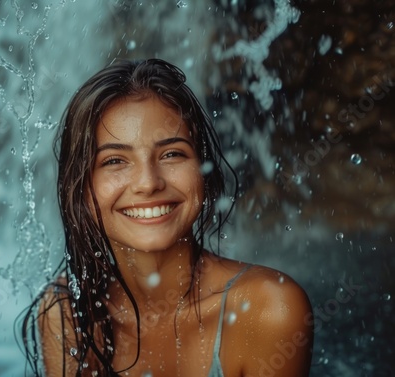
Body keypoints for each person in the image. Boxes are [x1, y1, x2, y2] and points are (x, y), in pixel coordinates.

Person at [22, 58, 313, 377]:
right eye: (115, 160)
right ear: (79, 186)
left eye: (172, 154)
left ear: (202, 170)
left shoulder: (267, 309)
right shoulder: (68, 314)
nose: (148, 183)